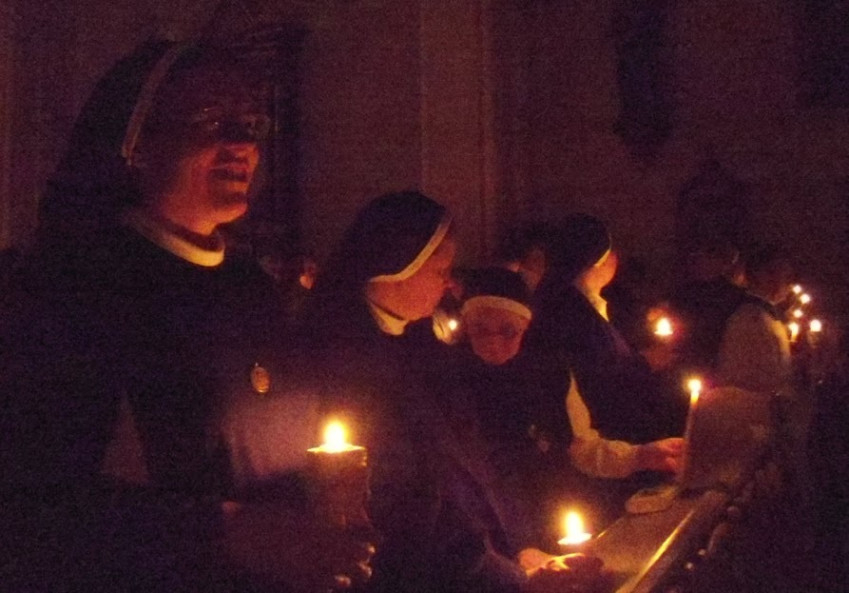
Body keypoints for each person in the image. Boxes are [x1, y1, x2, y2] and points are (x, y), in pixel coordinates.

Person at [0, 38, 372, 592]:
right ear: (136, 145)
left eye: (250, 125)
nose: (242, 143)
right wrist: (226, 532)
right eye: (211, 121)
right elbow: (31, 504)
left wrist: (328, 510)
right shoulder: (72, 288)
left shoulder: (252, 289)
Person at [300, 192, 586, 593]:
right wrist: (512, 579)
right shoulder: (345, 364)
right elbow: (406, 509)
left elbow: (478, 464)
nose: (449, 283)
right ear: (397, 268)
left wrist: (521, 550)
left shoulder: (425, 349)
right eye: (441, 270)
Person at [523, 214, 686, 487]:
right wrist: (645, 363)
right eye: (611, 253)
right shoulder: (569, 312)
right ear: (598, 260)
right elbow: (597, 376)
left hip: (612, 453)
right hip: (596, 458)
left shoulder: (577, 304)